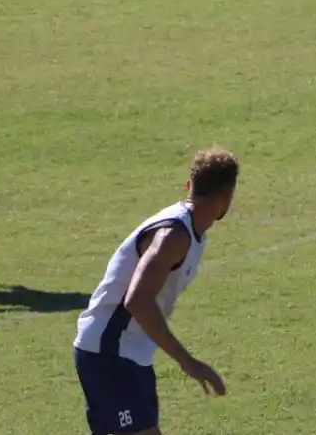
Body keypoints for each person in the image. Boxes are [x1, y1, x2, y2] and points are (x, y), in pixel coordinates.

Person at [73, 149, 238, 435]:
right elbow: (137, 300)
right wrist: (188, 362)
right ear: (227, 198)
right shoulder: (173, 235)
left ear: (190, 186)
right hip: (111, 353)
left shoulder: (190, 230)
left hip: (127, 354)